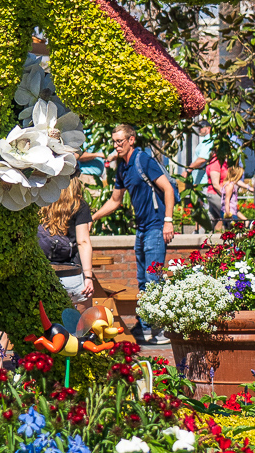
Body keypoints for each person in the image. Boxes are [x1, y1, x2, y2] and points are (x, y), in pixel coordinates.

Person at [90, 124, 176, 344]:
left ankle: (158, 331)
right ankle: (147, 328)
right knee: (142, 280)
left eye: (120, 141)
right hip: (142, 228)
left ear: (131, 140)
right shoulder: (123, 167)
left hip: (156, 226)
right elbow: (115, 201)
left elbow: (167, 188)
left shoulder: (143, 160)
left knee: (153, 279)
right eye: (114, 141)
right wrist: (92, 218)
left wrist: (168, 221)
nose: (116, 145)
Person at [38, 175, 94, 303]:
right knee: (80, 320)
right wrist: (88, 276)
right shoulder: (79, 205)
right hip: (72, 274)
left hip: (44, 272)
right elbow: (83, 242)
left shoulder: (42, 203)